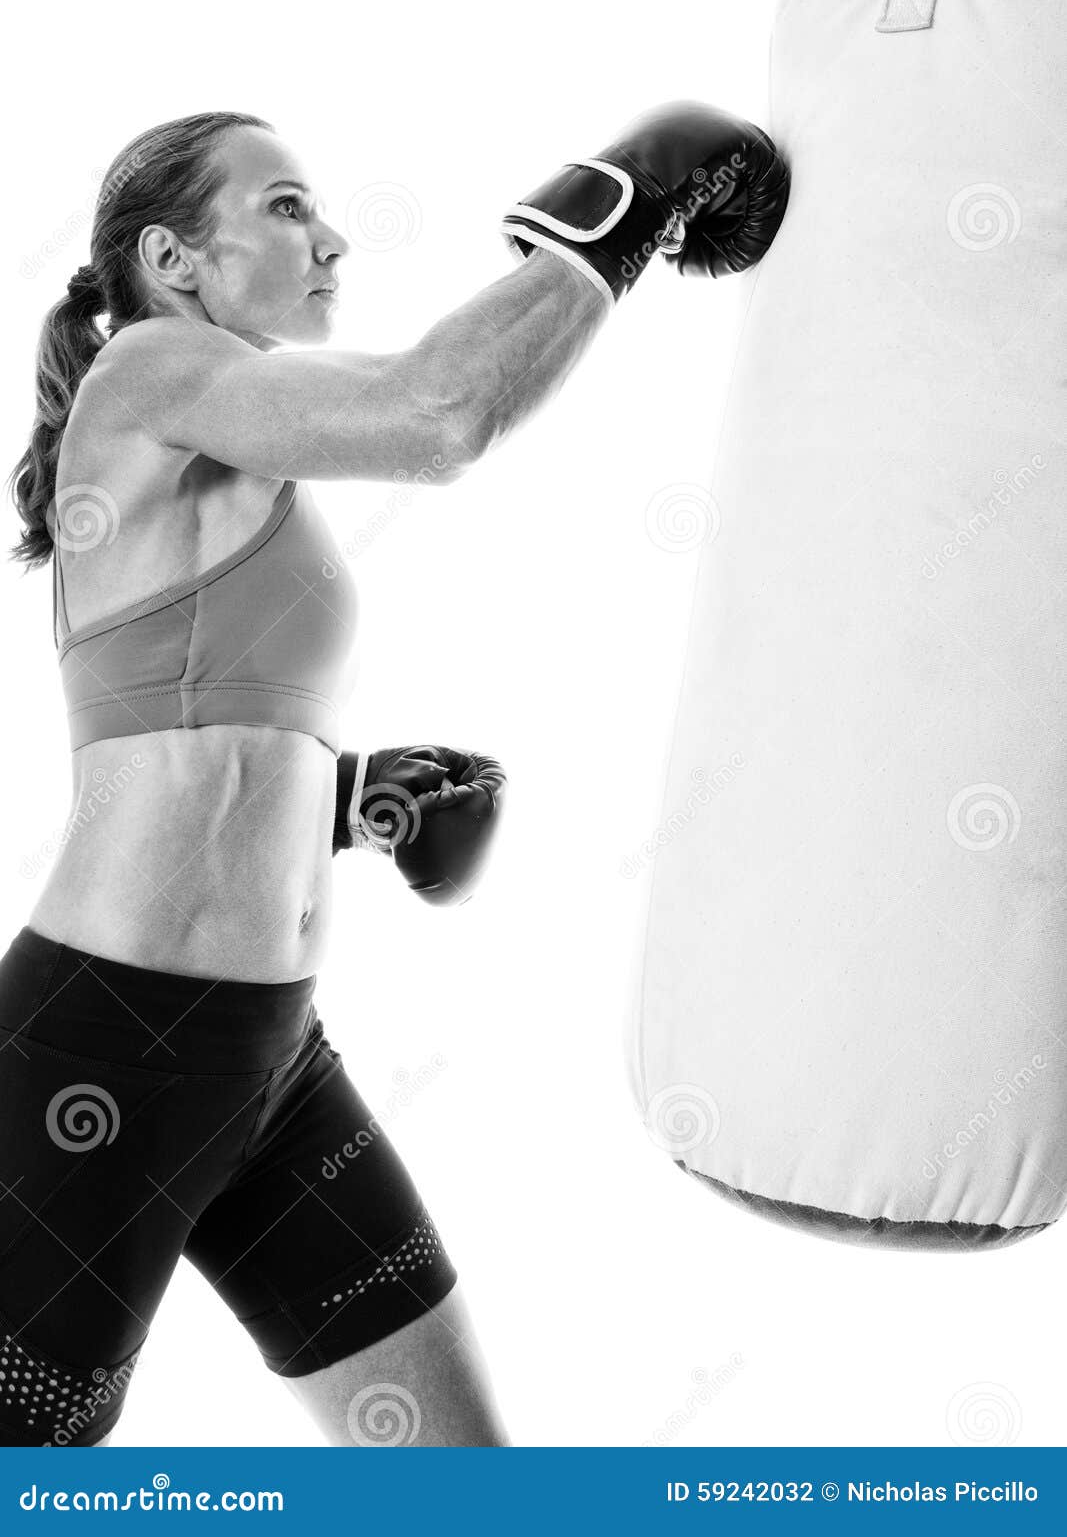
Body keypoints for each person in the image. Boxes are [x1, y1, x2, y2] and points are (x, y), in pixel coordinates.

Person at [1, 105, 786, 1446]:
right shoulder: (150, 370)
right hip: (112, 1048)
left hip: (271, 1064)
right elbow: (439, 415)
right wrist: (630, 195)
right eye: (286, 206)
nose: (332, 235)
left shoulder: (231, 452)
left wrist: (358, 796)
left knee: (459, 1487)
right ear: (173, 262)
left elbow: (186, 738)